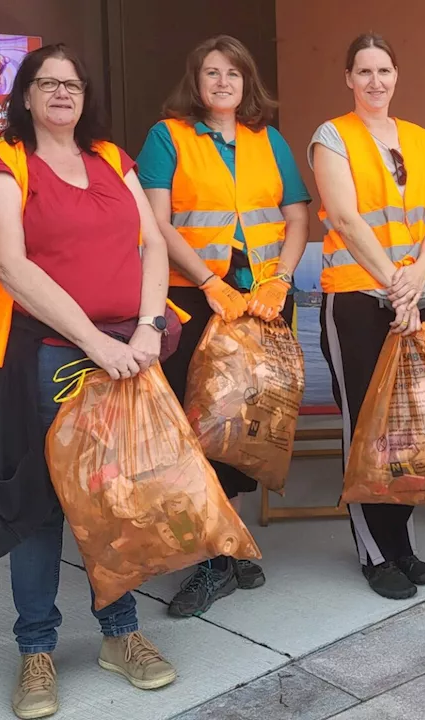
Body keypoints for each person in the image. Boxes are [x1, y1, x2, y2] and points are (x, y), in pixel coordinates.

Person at [0, 44, 177, 719]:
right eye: (46, 83)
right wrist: (93, 342)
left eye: (72, 85)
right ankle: (36, 650)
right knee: (38, 507)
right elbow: (9, 264)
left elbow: (153, 247)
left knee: (116, 498)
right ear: (24, 95)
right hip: (43, 357)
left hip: (124, 351)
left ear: (86, 97)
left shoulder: (113, 160)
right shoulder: (3, 165)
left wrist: (145, 328)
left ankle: (121, 637)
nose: (61, 94)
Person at [136, 34, 311, 618]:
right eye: (211, 73)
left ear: (246, 83)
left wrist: (281, 281)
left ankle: (227, 551)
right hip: (194, 298)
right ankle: (213, 558)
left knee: (246, 427)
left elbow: (296, 218)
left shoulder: (270, 139)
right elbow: (157, 222)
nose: (222, 83)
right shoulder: (168, 137)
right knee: (197, 425)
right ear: (196, 81)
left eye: (232, 74)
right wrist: (208, 283)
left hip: (261, 301)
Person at [310, 33, 425, 600]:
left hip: (415, 296)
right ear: (348, 78)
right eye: (363, 71)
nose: (374, 81)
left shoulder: (415, 136)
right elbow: (344, 216)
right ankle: (373, 550)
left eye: (383, 70)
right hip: (360, 302)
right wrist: (398, 284)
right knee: (366, 427)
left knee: (410, 430)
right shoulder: (332, 136)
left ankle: (402, 543)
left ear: (396, 75)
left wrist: (419, 277)